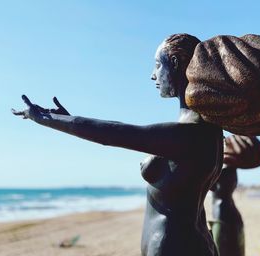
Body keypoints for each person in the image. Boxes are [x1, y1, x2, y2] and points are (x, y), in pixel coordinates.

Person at [12, 33, 222, 256]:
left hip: (175, 247)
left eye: (158, 65)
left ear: (177, 64)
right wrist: (68, 119)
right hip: (192, 244)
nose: (153, 75)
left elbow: (112, 133)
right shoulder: (207, 132)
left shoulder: (189, 134)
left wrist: (45, 118)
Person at [210, 135, 260, 256]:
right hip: (223, 213)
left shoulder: (221, 160)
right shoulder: (218, 161)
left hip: (225, 213)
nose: (234, 180)